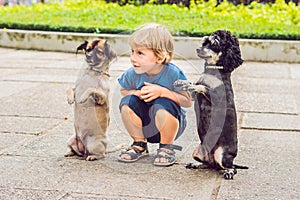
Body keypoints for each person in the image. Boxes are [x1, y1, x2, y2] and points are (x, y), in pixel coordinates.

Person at [117, 23, 192, 167]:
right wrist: (136, 93)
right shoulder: (132, 73)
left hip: (170, 125)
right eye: (132, 51)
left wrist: (164, 92)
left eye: (140, 53)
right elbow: (123, 90)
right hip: (145, 123)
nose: (132, 58)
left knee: (163, 104)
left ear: (159, 57)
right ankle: (139, 144)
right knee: (127, 102)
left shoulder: (173, 73)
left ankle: (166, 147)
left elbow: (187, 101)